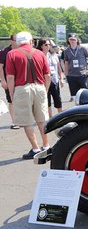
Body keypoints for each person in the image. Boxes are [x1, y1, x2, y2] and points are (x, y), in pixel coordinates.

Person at [5, 31, 51, 159]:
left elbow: (10, 77)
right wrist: (45, 90)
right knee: (42, 119)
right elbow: (47, 76)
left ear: (18, 42)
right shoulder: (40, 53)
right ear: (31, 41)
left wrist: (12, 93)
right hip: (39, 86)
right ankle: (46, 146)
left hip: (22, 88)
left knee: (27, 121)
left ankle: (36, 148)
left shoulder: (12, 54)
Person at [61, 33, 88, 101]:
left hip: (82, 75)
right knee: (75, 97)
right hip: (71, 76)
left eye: (74, 39)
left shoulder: (83, 48)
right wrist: (66, 75)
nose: (72, 41)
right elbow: (66, 63)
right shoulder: (66, 51)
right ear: (68, 40)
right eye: (71, 39)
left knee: (86, 95)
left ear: (77, 40)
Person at [37, 39, 63, 116]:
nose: (48, 46)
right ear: (41, 46)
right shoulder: (39, 56)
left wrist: (61, 78)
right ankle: (50, 118)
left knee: (58, 100)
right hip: (44, 81)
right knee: (47, 101)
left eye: (49, 45)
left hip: (54, 80)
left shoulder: (53, 55)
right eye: (46, 45)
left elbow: (59, 68)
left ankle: (61, 116)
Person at [0, 34, 20, 129]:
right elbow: (0, 67)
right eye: (16, 40)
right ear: (11, 41)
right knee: (11, 101)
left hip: (20, 80)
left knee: (20, 100)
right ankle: (14, 121)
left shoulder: (21, 50)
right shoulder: (5, 52)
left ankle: (21, 120)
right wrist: (3, 81)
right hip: (9, 80)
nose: (18, 42)